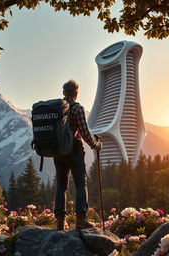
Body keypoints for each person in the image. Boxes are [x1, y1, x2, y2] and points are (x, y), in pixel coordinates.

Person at [54, 80, 102, 230]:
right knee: (81, 183)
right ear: (76, 93)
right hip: (74, 150)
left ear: (63, 93)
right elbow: (85, 133)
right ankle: (80, 220)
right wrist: (96, 145)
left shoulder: (56, 108)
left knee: (61, 186)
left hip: (58, 151)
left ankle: (60, 223)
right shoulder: (77, 108)